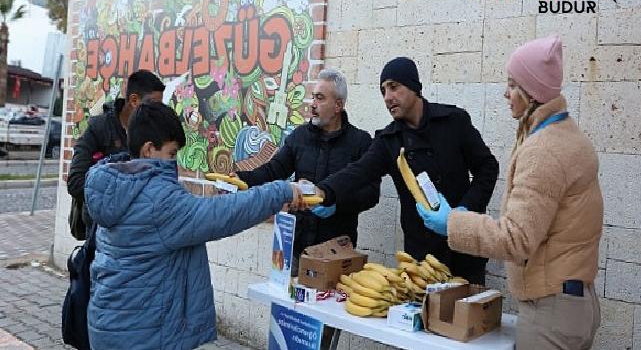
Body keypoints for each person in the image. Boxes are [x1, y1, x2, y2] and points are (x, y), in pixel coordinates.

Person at [419, 35, 602, 349]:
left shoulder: (544, 150)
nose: (506, 93)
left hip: (551, 313)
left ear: (532, 93)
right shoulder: (568, 135)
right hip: (573, 304)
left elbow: (517, 239)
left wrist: (452, 223)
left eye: (512, 84)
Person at [84, 102, 305, 350]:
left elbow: (188, 215)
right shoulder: (158, 200)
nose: (175, 162)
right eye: (171, 154)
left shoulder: (120, 186)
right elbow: (220, 216)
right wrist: (281, 191)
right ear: (148, 150)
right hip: (143, 334)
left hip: (111, 324)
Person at [316, 57, 499, 284]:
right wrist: (323, 191)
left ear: (413, 86)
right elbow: (359, 172)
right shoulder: (389, 140)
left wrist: (462, 212)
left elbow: (487, 168)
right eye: (383, 91)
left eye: (394, 87)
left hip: (465, 251)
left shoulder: (453, 121)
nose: (387, 97)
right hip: (423, 261)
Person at [235, 68, 380, 274]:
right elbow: (274, 169)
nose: (312, 104)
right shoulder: (299, 136)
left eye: (320, 98)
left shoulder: (360, 142)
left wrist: (337, 205)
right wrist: (242, 178)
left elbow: (372, 194)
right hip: (296, 251)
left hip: (336, 254)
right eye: (313, 97)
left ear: (338, 104)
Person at [67, 69, 165, 239]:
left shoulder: (152, 132)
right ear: (134, 100)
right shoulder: (98, 128)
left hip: (139, 231)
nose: (157, 112)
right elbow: (76, 182)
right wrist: (119, 201)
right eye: (153, 104)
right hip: (100, 233)